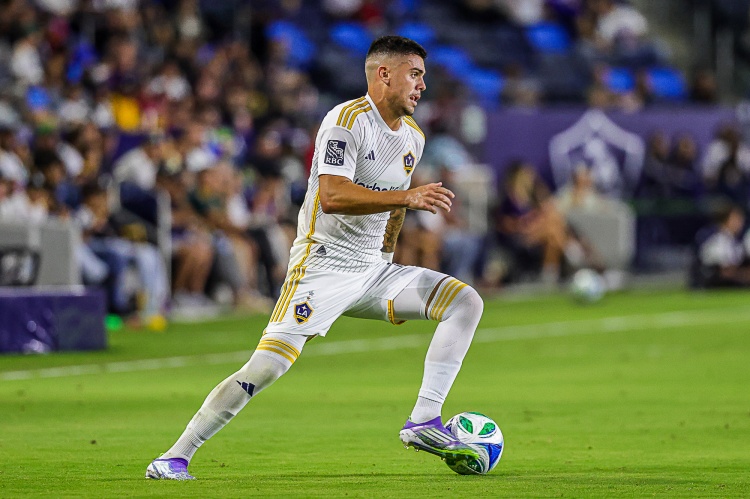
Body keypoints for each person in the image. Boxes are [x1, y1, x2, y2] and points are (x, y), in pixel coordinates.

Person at [146, 35, 485, 480]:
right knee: (266, 367)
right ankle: (174, 456)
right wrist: (406, 197)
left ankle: (424, 419)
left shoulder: (413, 138)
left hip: (374, 271)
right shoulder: (345, 121)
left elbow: (396, 210)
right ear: (385, 74)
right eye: (415, 74)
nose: (423, 85)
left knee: (465, 302)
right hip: (322, 267)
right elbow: (334, 196)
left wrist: (387, 257)